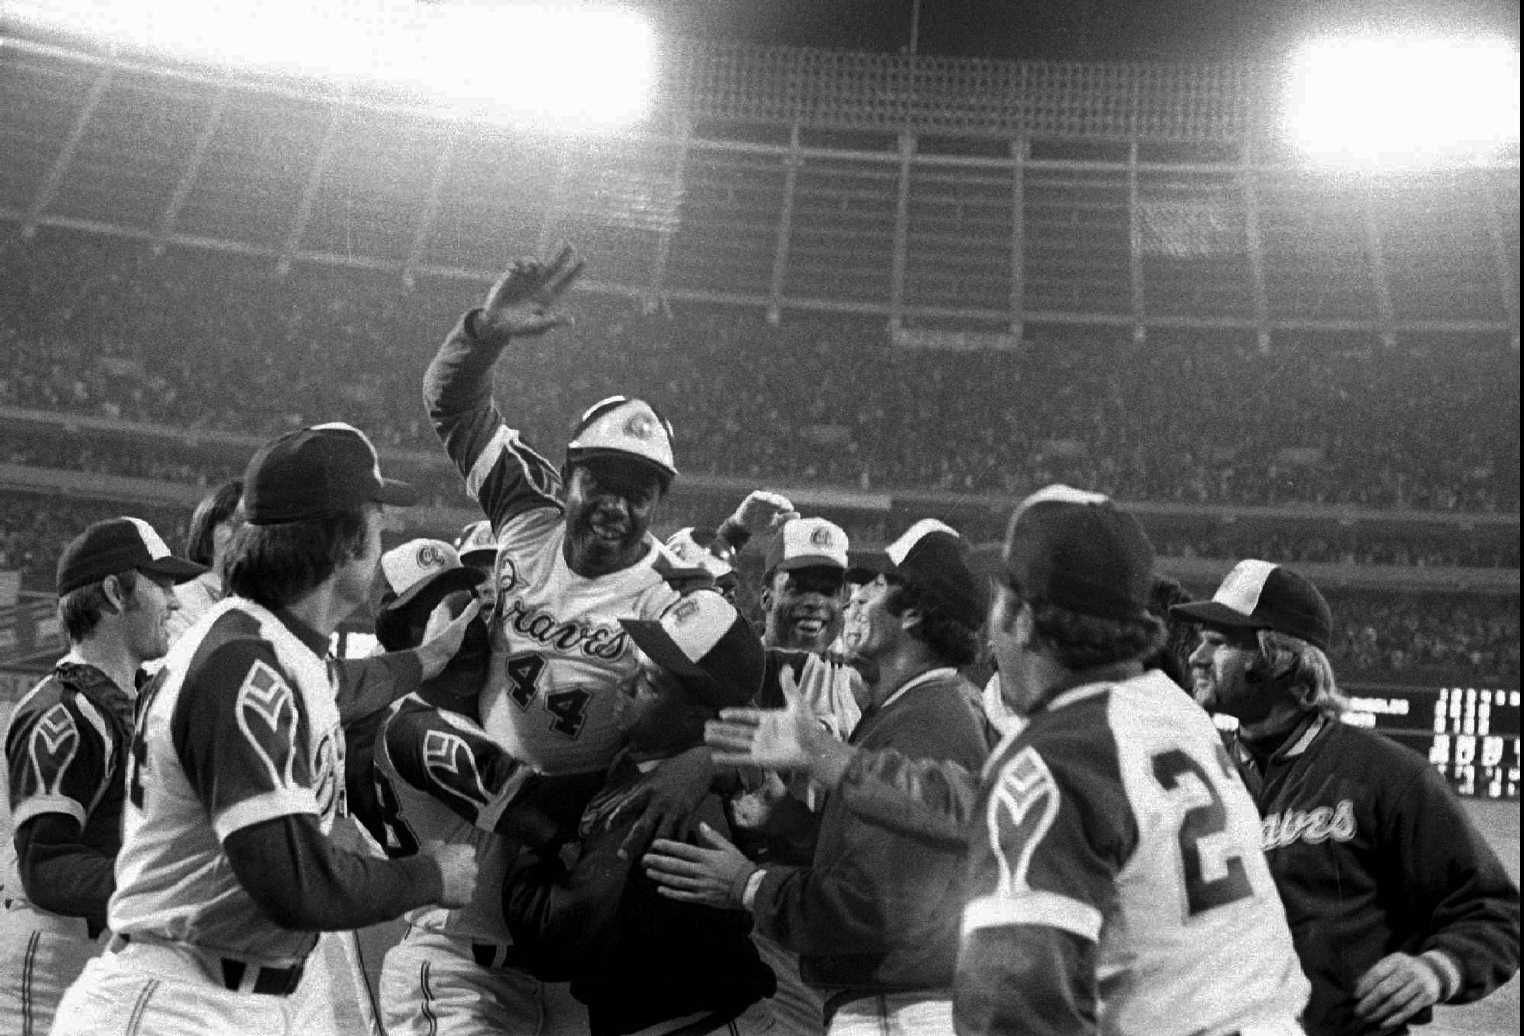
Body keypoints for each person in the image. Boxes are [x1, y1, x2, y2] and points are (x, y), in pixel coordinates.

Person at [701, 486, 1311, 1035]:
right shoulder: (1172, 716)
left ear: (1022, 618)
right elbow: (976, 802)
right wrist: (832, 760)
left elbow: (1019, 1001)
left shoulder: (1056, 753)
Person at [50, 422, 480, 1036]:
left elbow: (345, 685)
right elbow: (293, 882)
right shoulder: (241, 666)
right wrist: (431, 875)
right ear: (345, 541)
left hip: (230, 995)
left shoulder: (267, 646)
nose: (386, 537)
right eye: (378, 521)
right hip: (180, 1004)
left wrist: (429, 658)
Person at [643, 519, 995, 1036]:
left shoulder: (932, 718)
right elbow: (883, 859)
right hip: (893, 1003)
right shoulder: (912, 708)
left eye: (875, 586)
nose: (853, 600)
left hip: (899, 1010)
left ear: (914, 613)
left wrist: (748, 885)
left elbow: (879, 908)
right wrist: (792, 823)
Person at [1173, 559, 1521, 1035]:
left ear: (1276, 655)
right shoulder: (1202, 776)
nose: (1195, 657)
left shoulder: (1388, 775)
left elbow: (1493, 910)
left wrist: (1438, 969)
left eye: (1216, 643)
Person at [505, 590, 779, 1035]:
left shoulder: (662, 806)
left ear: (701, 717)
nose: (625, 683)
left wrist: (531, 835)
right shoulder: (651, 767)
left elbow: (554, 938)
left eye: (651, 682)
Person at [365, 537, 595, 1035]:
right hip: (455, 974)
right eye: (440, 617)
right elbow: (538, 813)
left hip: (539, 979)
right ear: (401, 637)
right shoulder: (413, 727)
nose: (465, 633)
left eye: (472, 611)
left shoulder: (500, 712)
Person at [1, 517, 204, 1035]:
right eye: (160, 584)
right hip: (51, 962)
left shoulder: (142, 701)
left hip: (112, 960)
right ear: (116, 592)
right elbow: (45, 866)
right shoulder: (61, 713)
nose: (175, 602)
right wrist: (172, 885)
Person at [760, 516, 852, 654]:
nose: (816, 602)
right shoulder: (728, 667)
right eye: (799, 588)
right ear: (766, 598)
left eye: (828, 590)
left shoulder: (851, 673)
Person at [166, 476, 242, 642]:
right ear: (208, 532)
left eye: (251, 525)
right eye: (231, 523)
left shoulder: (278, 608)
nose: (243, 534)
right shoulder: (179, 602)